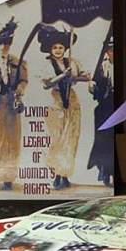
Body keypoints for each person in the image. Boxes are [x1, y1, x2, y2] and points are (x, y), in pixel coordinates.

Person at [40, 25, 89, 190]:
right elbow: (47, 84)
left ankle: (64, 175)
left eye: (61, 47)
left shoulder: (72, 61)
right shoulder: (47, 64)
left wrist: (79, 77)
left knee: (70, 139)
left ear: (65, 48)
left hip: (72, 103)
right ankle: (56, 174)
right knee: (57, 140)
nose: (58, 50)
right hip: (55, 104)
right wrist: (63, 75)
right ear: (50, 49)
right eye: (55, 47)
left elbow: (82, 76)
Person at [0, 19, 27, 191]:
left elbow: (23, 80)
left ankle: (9, 177)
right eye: (0, 43)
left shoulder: (17, 62)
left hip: (12, 105)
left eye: (6, 43)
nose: (3, 46)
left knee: (12, 140)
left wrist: (18, 93)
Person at [88, 33, 114, 187]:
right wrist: (92, 87)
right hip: (103, 108)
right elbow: (95, 90)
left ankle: (110, 171)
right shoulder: (100, 67)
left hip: (116, 107)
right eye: (110, 50)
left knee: (112, 140)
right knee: (101, 140)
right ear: (106, 51)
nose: (112, 53)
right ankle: (103, 169)